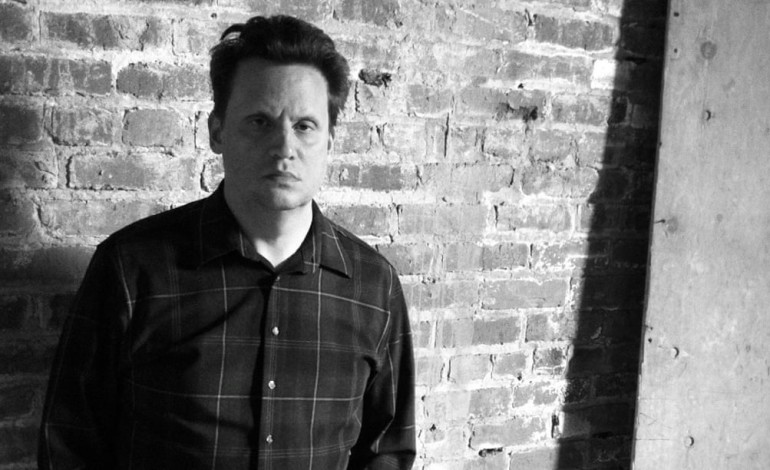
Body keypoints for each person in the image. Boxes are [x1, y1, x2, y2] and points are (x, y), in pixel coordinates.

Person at [38, 15, 415, 470]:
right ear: (217, 131)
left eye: (305, 126)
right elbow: (70, 444)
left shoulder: (374, 287)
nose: (284, 147)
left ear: (330, 140)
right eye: (259, 121)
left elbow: (387, 451)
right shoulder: (132, 269)